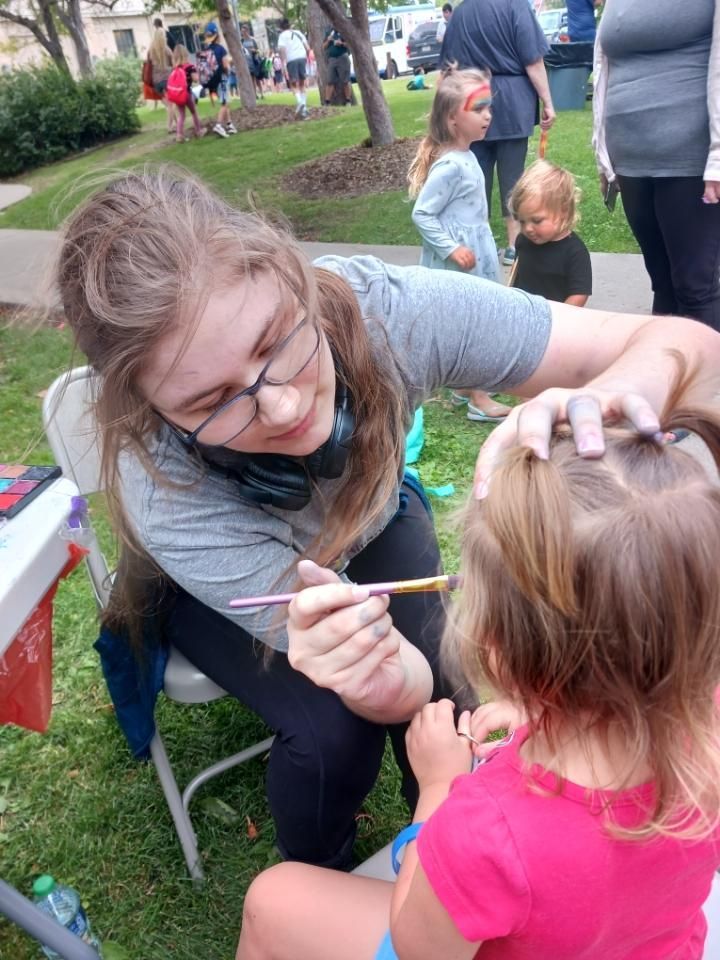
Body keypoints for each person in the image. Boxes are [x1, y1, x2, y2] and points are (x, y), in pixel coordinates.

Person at [57, 167, 720, 872]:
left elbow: (689, 348)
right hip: (216, 589)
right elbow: (373, 683)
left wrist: (616, 388)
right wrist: (385, 685)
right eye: (211, 402)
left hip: (369, 522)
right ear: (155, 413)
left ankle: (445, 847)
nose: (282, 408)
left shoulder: (389, 313)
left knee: (450, 678)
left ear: (294, 278)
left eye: (276, 341)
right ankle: (324, 873)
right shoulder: (165, 489)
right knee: (329, 732)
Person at [237, 376, 720, 960]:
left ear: (497, 646)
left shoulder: (485, 830)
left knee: (272, 896)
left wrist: (438, 786)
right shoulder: (707, 732)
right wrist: (543, 709)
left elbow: (418, 949)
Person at [593, 0, 720, 330]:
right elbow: (606, 65)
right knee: (662, 283)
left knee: (695, 289)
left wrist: (718, 158)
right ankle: (668, 377)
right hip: (631, 160)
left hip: (690, 161)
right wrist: (603, 151)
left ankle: (706, 381)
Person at [408, 67, 511, 422]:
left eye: (488, 108)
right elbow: (423, 215)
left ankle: (462, 385)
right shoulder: (450, 165)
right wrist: (452, 248)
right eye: (479, 109)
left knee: (471, 323)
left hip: (473, 255)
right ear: (454, 119)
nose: (488, 115)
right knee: (473, 325)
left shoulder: (466, 156)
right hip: (458, 263)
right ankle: (478, 399)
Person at [441, 0, 556, 267]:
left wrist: (446, 113)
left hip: (470, 101)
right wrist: (547, 101)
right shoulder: (516, 6)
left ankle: (477, 243)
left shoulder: (461, 12)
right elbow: (533, 60)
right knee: (512, 177)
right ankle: (514, 245)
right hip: (513, 102)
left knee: (473, 176)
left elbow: (448, 70)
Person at [509, 160, 592, 306]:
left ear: (563, 211)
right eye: (522, 221)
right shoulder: (523, 240)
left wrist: (559, 318)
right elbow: (517, 275)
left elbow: (579, 294)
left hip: (558, 320)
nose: (527, 228)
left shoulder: (574, 252)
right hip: (524, 315)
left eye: (536, 220)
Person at [199, 21, 237, 138]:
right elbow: (226, 66)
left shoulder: (206, 51)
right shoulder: (221, 49)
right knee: (225, 103)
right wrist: (230, 67)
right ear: (217, 35)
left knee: (225, 102)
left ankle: (229, 125)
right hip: (223, 79)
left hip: (213, 81)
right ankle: (219, 125)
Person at [169, 44, 204, 143]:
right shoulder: (190, 67)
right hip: (187, 94)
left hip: (178, 95)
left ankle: (179, 135)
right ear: (185, 54)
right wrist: (197, 72)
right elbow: (196, 79)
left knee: (181, 115)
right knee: (193, 112)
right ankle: (198, 131)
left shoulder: (175, 69)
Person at [278, 17, 310, 118]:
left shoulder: (282, 36)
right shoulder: (298, 33)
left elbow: (282, 50)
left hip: (291, 59)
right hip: (302, 57)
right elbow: (308, 48)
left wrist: (283, 64)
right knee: (301, 83)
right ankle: (304, 109)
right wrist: (306, 58)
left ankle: (300, 102)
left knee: (293, 84)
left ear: (280, 27)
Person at [146, 27, 174, 134]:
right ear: (163, 38)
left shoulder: (150, 51)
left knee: (168, 105)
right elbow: (173, 63)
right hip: (167, 80)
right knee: (170, 106)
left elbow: (148, 65)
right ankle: (170, 127)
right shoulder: (166, 50)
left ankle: (175, 125)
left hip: (156, 82)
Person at [322, 26, 352, 106]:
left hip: (343, 57)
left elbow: (351, 44)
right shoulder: (329, 31)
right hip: (332, 59)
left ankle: (348, 101)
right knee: (330, 81)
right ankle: (327, 102)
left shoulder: (344, 30)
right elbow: (324, 46)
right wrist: (328, 40)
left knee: (345, 80)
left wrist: (341, 43)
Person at [241, 26, 264, 99]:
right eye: (242, 32)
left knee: (257, 79)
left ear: (247, 31)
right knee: (251, 79)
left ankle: (261, 93)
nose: (243, 33)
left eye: (244, 32)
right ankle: (255, 94)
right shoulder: (242, 41)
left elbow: (258, 50)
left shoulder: (252, 40)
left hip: (254, 61)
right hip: (247, 62)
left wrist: (254, 50)